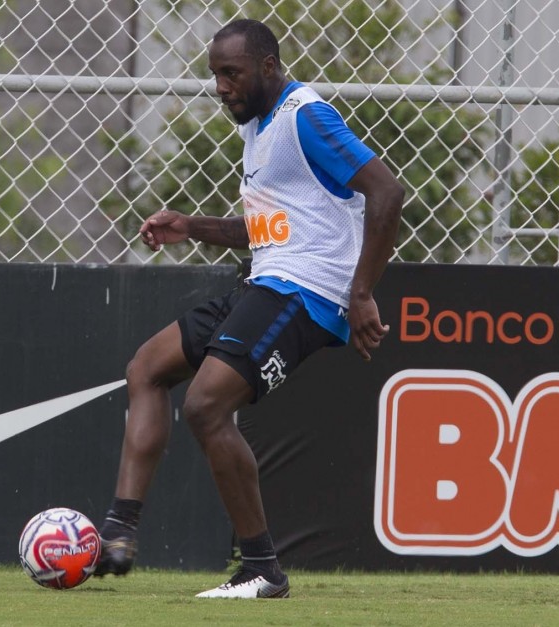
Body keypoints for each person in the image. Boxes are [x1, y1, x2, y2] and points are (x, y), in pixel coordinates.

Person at [93, 18, 404, 598]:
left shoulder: (304, 116)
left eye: (231, 73)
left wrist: (360, 294)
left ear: (267, 66)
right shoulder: (259, 127)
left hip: (305, 293)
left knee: (207, 407)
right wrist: (191, 225)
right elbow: (273, 227)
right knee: (147, 367)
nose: (220, 87)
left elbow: (386, 190)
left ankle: (262, 569)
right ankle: (119, 532)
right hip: (268, 279)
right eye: (214, 75)